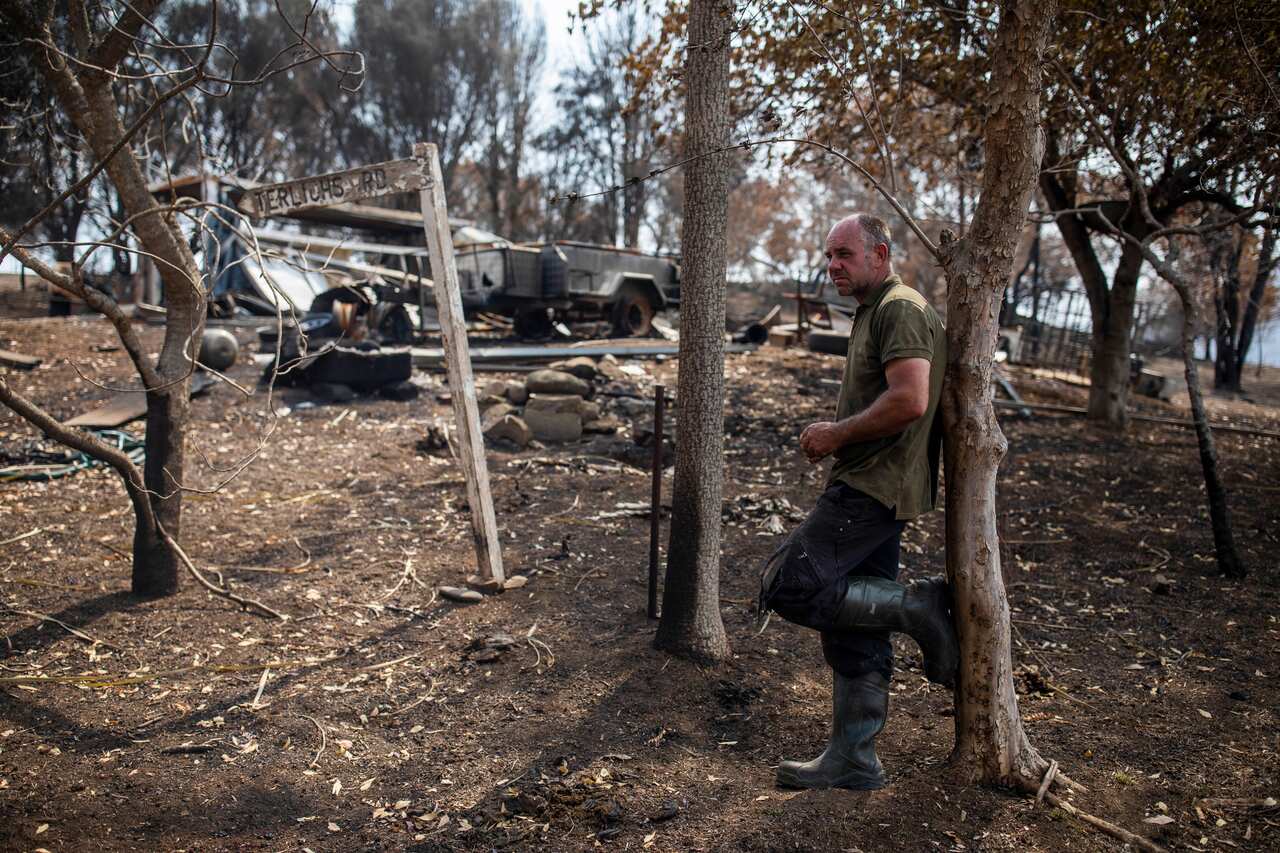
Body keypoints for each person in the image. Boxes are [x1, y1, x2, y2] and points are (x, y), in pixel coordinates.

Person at [758, 212, 957, 791]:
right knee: (855, 625)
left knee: (788, 583)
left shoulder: (900, 308)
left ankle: (919, 609)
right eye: (828, 255)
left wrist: (836, 433)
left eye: (844, 254)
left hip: (874, 483)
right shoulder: (876, 310)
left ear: (880, 253)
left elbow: (911, 400)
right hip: (875, 482)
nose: (832, 266)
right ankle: (855, 757)